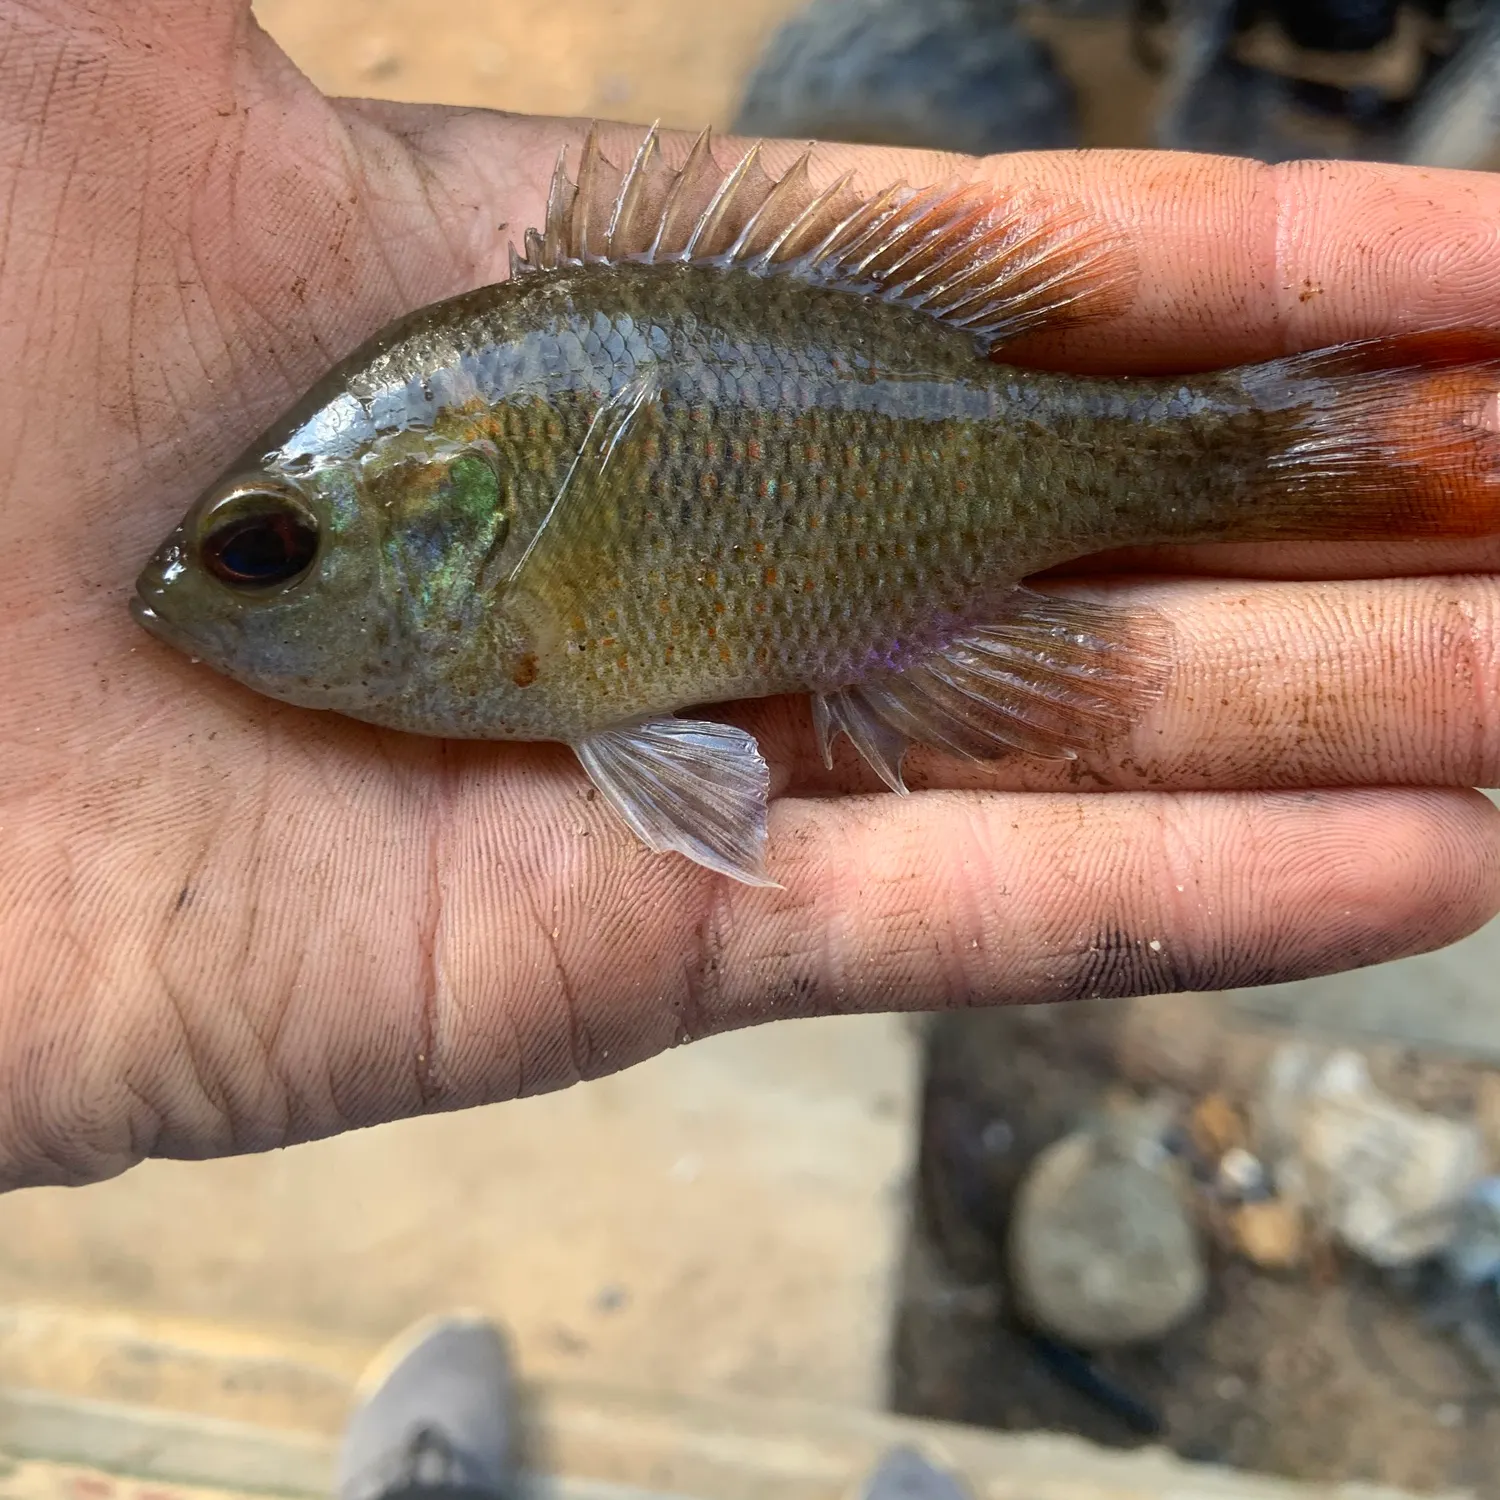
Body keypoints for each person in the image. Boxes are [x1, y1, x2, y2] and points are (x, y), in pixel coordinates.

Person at [2, 0, 1499, 1194]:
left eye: (272, 548)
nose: (214, 587)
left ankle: (1338, 441)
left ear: (446, 512)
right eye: (264, 547)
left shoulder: (470, 533)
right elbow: (679, 758)